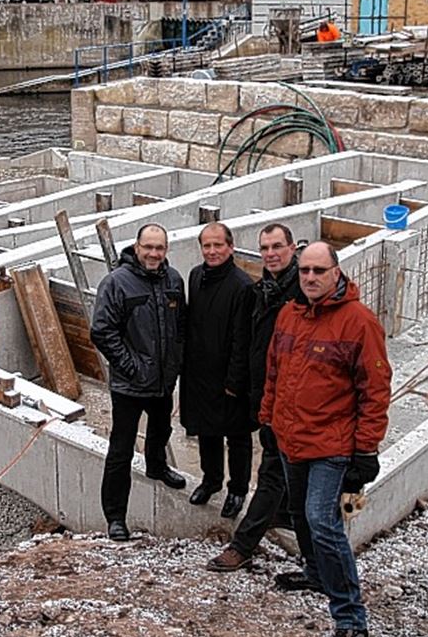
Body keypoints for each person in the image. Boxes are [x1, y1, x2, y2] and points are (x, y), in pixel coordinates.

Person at [259, 241, 391, 637]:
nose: (311, 278)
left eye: (319, 271)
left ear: (337, 272)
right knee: (299, 512)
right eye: (305, 272)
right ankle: (316, 575)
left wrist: (366, 451)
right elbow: (274, 373)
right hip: (290, 439)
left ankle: (351, 619)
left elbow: (375, 390)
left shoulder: (359, 322)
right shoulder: (289, 314)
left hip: (331, 446)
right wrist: (268, 418)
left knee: (323, 522)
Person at [207, 223, 302, 572]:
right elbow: (252, 345)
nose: (271, 254)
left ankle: (243, 544)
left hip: (294, 404)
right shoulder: (263, 289)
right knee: (290, 474)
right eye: (265, 248)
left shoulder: (301, 293)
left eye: (278, 246)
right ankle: (288, 522)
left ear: (292, 248)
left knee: (272, 472)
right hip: (269, 397)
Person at [90, 223, 187, 542]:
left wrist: (173, 365)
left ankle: (157, 467)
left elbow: (180, 327)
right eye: (148, 247)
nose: (154, 253)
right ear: (136, 246)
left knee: (161, 430)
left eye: (159, 248)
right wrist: (132, 367)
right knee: (121, 449)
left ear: (166, 250)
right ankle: (115, 517)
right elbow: (102, 331)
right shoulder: (116, 283)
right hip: (130, 385)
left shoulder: (173, 280)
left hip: (162, 382)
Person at [180, 222, 253, 519]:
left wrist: (234, 382)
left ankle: (237, 489)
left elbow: (242, 338)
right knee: (207, 432)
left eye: (218, 245)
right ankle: (211, 480)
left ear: (230, 247)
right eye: (206, 246)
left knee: (237, 436)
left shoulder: (243, 286)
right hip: (200, 373)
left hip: (229, 379)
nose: (212, 251)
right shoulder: (196, 276)